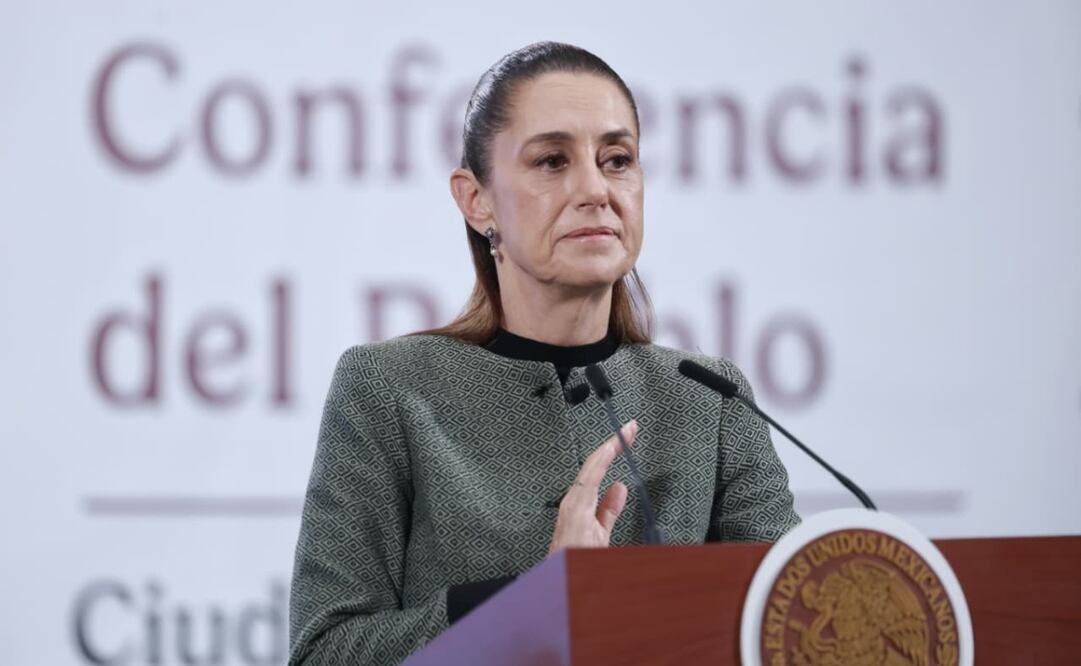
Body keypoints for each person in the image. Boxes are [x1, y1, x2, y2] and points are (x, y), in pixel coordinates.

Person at [288, 42, 799, 665]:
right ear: (477, 202)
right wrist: (529, 605)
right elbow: (323, 653)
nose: (595, 190)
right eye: (553, 161)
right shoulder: (390, 390)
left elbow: (794, 624)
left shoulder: (709, 400)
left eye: (617, 160)